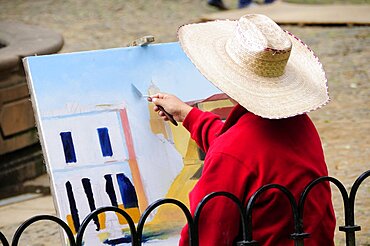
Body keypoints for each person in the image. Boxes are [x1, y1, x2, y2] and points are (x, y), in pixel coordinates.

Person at [149, 14, 336, 245]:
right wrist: (187, 115)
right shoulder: (298, 122)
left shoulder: (234, 151)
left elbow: (206, 236)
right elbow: (243, 153)